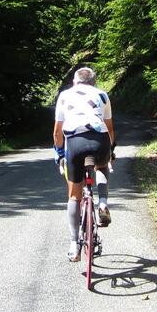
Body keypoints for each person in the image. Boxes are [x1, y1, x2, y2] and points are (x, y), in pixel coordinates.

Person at [53, 66, 116, 261]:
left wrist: (59, 154)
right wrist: (111, 151)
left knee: (74, 196)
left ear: (75, 81)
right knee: (102, 165)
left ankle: (74, 245)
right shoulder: (102, 95)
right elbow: (110, 128)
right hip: (100, 140)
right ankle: (103, 203)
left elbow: (57, 132)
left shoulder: (64, 96)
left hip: (75, 141)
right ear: (94, 82)